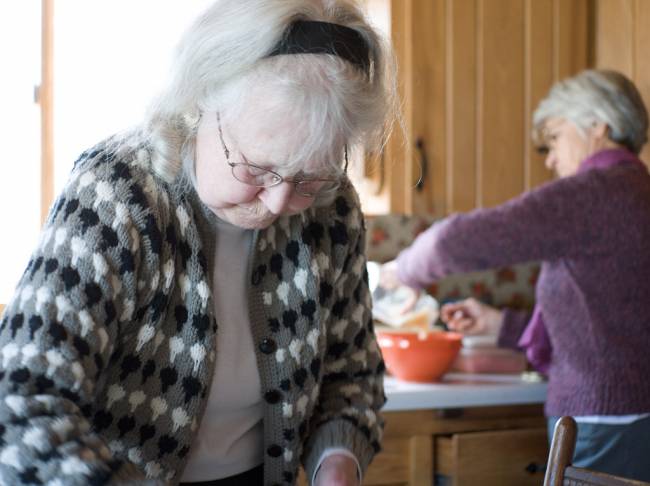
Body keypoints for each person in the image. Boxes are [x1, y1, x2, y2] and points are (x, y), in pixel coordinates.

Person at [0, 1, 398, 484]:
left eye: (310, 178)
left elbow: (351, 377)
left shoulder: (331, 211)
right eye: (255, 169)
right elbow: (22, 399)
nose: (277, 203)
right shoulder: (117, 194)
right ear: (200, 105)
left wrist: (338, 461)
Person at [381, 69, 650, 482]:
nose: (550, 157)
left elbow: (461, 239)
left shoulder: (592, 194)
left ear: (599, 125)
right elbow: (605, 321)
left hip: (603, 418)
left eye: (556, 137)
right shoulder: (636, 190)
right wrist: (498, 324)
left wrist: (403, 270)